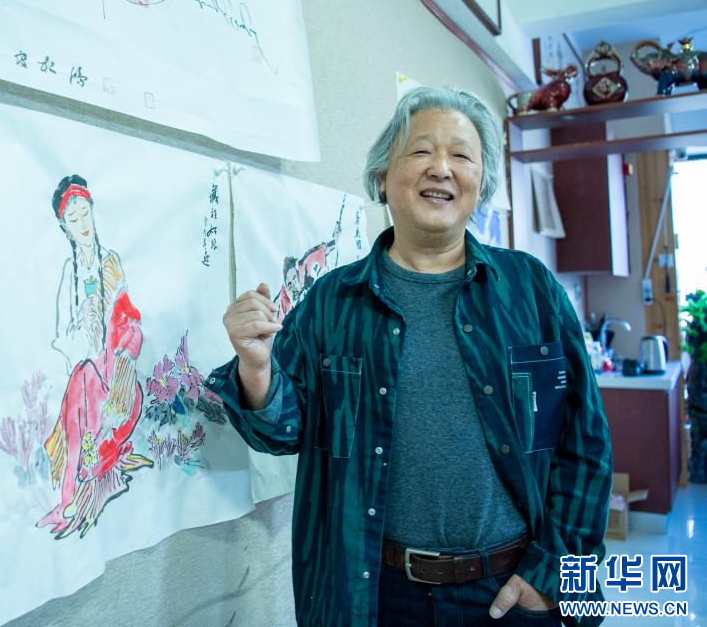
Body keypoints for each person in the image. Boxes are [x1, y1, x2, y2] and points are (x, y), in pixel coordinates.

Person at [206, 87, 612, 626]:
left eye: (461, 156)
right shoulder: (334, 301)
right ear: (382, 176)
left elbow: (585, 443)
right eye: (421, 151)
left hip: (511, 589)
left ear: (481, 184)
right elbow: (281, 433)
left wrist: (554, 574)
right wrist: (257, 367)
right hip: (374, 593)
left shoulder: (530, 290)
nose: (441, 168)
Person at [38, 175, 152, 539]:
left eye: (85, 213)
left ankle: (92, 472)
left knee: (113, 392)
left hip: (114, 366)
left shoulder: (111, 261)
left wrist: (120, 336)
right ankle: (70, 491)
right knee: (82, 385)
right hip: (85, 369)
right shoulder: (68, 272)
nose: (82, 224)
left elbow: (128, 314)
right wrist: (83, 326)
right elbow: (61, 336)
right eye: (73, 219)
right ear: (64, 227)